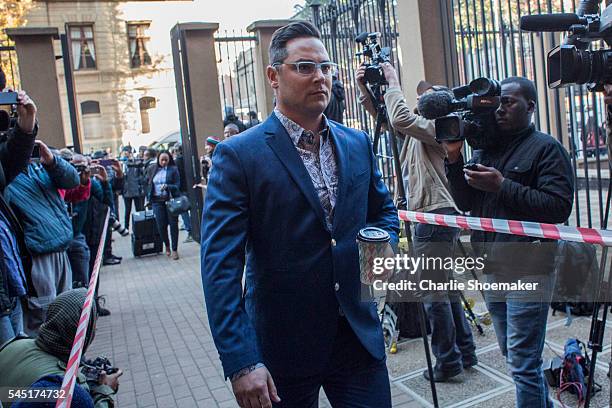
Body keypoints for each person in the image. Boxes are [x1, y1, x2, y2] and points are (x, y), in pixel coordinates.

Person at [201, 21, 398, 408]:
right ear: (274, 76)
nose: (320, 77)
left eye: (326, 68)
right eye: (305, 67)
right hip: (280, 353)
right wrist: (241, 362)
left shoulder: (356, 142)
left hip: (357, 339)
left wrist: (379, 247)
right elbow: (220, 265)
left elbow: (384, 213)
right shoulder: (239, 155)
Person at [443, 76, 574, 407]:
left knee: (522, 360)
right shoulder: (485, 150)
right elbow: (465, 202)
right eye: (497, 102)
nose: (500, 109)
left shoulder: (547, 149)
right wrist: (455, 159)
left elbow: (558, 208)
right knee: (511, 351)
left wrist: (503, 186)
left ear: (530, 107)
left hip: (529, 266)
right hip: (491, 264)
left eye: (509, 102)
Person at [356, 63, 477, 382]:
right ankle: (464, 350)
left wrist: (394, 80)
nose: (421, 104)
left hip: (435, 214)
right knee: (445, 286)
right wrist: (367, 93)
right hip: (431, 213)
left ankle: (448, 361)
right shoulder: (420, 131)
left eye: (427, 99)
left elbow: (400, 118)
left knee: (432, 290)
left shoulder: (444, 125)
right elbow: (392, 124)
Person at [5, 141, 79, 336]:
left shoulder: (39, 168)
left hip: (60, 248)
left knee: (67, 310)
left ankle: (68, 361)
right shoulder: (7, 174)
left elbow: (73, 180)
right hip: (36, 255)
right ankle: (49, 364)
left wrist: (52, 161)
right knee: (45, 315)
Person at [0, 288, 122, 407]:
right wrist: (104, 390)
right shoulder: (63, 385)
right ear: (81, 333)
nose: (95, 331)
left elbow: (11, 394)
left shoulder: (15, 344)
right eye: (92, 328)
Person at [0, 84, 39, 346]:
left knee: (18, 369)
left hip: (8, 284)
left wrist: (26, 126)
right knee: (10, 378)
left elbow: (7, 167)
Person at [146, 150, 181, 260]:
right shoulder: (152, 169)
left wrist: (168, 186)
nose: (164, 162)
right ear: (158, 160)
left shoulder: (173, 170)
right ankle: (167, 245)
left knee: (173, 224)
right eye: (162, 160)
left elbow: (177, 185)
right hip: (157, 201)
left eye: (166, 160)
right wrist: (148, 197)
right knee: (161, 225)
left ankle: (174, 249)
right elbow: (147, 182)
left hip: (170, 200)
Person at [172, 144, 194, 243]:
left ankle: (190, 231)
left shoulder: (176, 162)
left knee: (184, 211)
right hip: (190, 188)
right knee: (192, 209)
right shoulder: (189, 159)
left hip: (182, 190)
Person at [121, 150, 146, 230]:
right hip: (127, 190)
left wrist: (140, 186)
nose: (126, 155)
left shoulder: (137, 163)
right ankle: (126, 227)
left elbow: (142, 175)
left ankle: (141, 226)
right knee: (127, 210)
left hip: (136, 190)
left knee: (139, 209)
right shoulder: (122, 164)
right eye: (125, 153)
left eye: (127, 153)